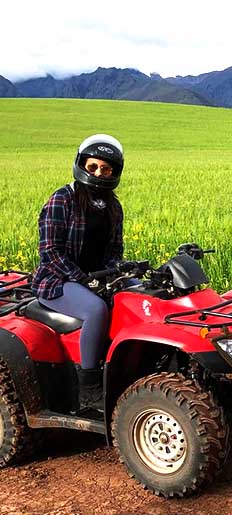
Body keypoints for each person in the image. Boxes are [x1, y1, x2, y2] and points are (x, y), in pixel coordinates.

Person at [31, 134, 126, 413]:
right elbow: (49, 251)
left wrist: (115, 271)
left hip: (96, 277)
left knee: (134, 295)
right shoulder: (63, 199)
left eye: (106, 169)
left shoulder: (113, 206)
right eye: (93, 166)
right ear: (81, 165)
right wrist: (83, 279)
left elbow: (115, 248)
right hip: (57, 280)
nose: (99, 173)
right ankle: (90, 389)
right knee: (96, 310)